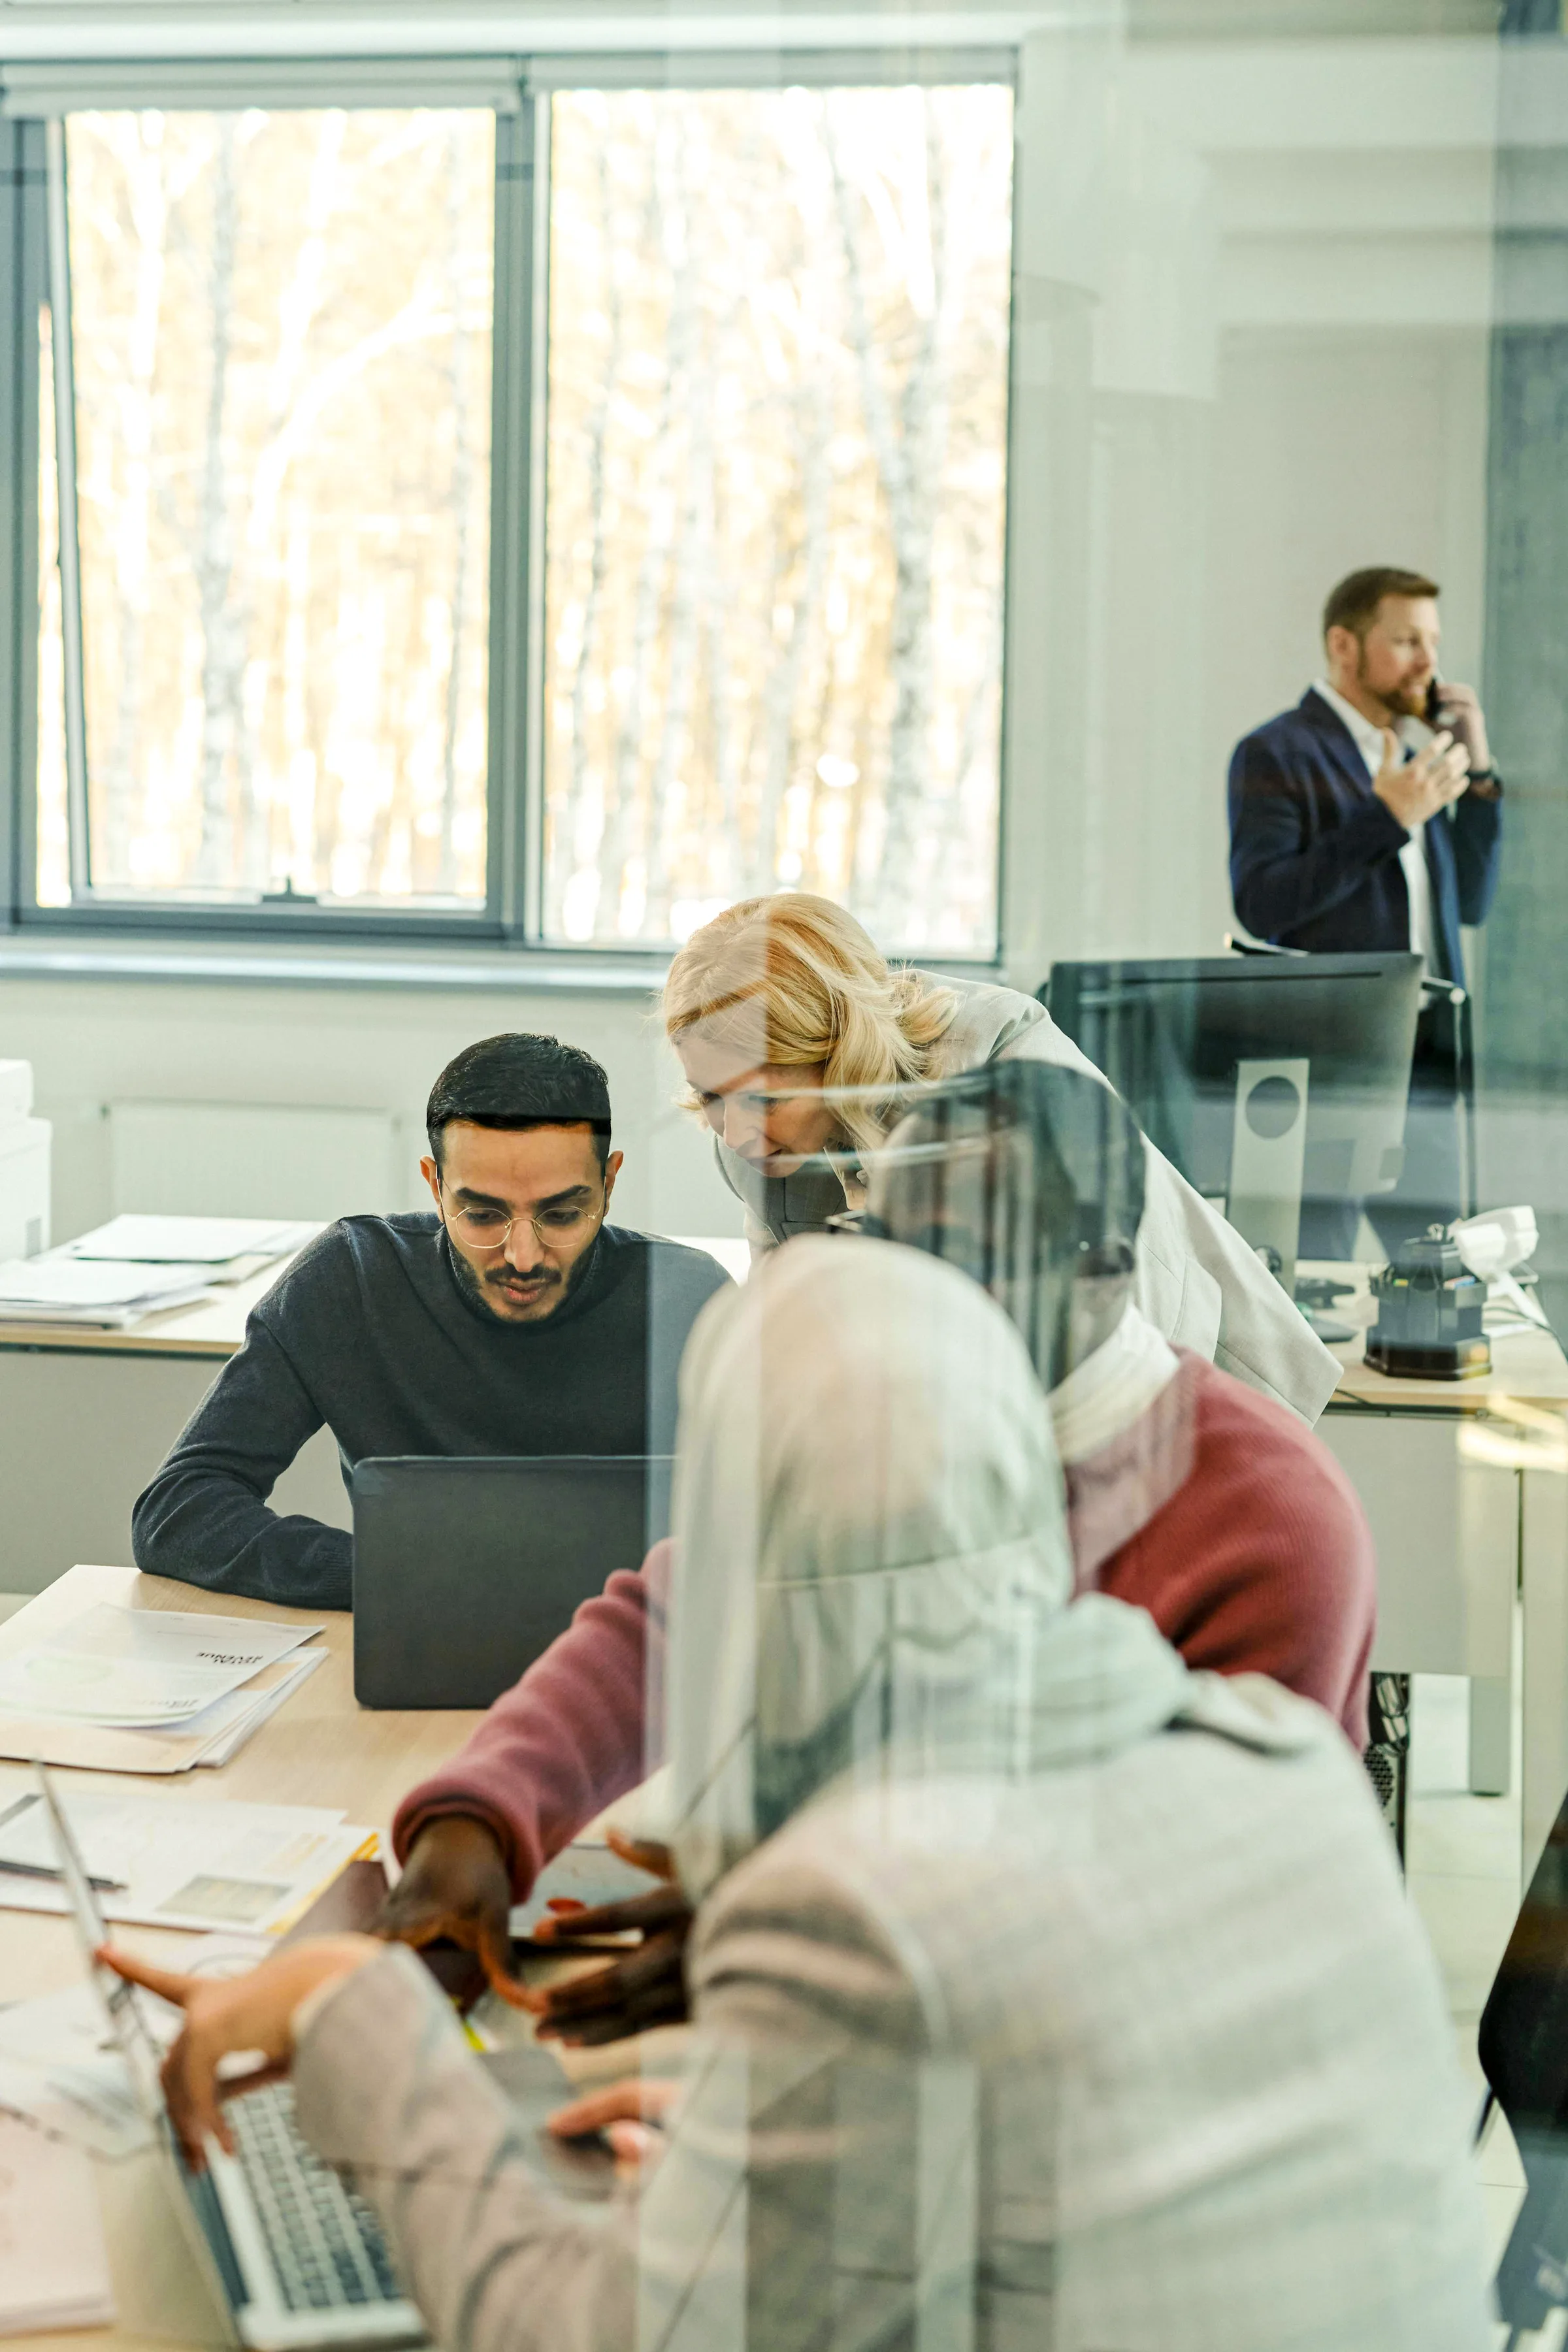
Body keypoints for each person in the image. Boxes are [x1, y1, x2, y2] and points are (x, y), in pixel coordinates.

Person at [106, 1243, 1490, 2352]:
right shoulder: (1283, 1753)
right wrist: (782, 2117)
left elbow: (583, 2332)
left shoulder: (865, 1914)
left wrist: (358, 2020)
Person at [375, 1059, 1375, 2042]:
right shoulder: (907, 1409)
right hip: (896, 1980)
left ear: (1103, 1274)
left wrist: (814, 1939)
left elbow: (1186, 1894)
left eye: (958, 1255)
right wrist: (481, 1817)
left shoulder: (1272, 1520)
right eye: (887, 1243)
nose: (900, 1292)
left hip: (1152, 2056)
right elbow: (684, 1618)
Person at [658, 889, 1339, 1424]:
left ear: (837, 1049)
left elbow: (1113, 1329)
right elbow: (797, 1341)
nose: (736, 1133)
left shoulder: (1003, 1067)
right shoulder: (757, 1151)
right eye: (710, 1098)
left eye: (764, 1100)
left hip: (1163, 1385)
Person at [131, 1034, 729, 1609]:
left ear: (610, 1181)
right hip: (415, 1633)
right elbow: (181, 1510)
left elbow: (773, 1532)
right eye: (483, 1214)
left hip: (633, 1653)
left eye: (563, 1213)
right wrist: (392, 1575)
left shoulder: (689, 1298)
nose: (523, 1257)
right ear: (435, 1187)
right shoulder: (353, 1277)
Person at [1228, 565, 1504, 1252]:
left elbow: (1470, 901)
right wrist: (1386, 817)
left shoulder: (1418, 762)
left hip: (1431, 1059)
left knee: (1439, 1271)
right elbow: (1262, 905)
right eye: (1407, 640)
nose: (1429, 662)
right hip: (1333, 1068)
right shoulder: (1276, 751)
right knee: (1317, 1273)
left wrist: (1481, 775)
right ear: (1344, 647)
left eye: (1432, 642)